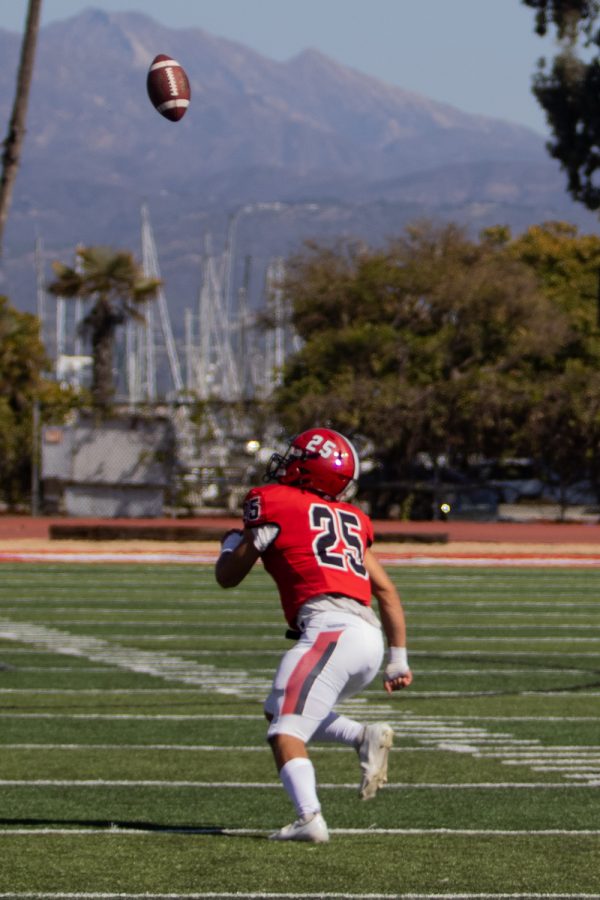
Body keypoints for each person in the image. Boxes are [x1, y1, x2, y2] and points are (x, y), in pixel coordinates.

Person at [215, 427, 412, 843]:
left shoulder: (274, 503)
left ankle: (310, 818)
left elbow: (228, 577)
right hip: (368, 640)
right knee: (279, 709)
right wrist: (398, 660)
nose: (286, 463)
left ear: (311, 469)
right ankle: (362, 736)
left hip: (330, 632)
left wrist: (231, 544)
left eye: (296, 457)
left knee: (284, 731)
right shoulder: (352, 520)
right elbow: (387, 591)